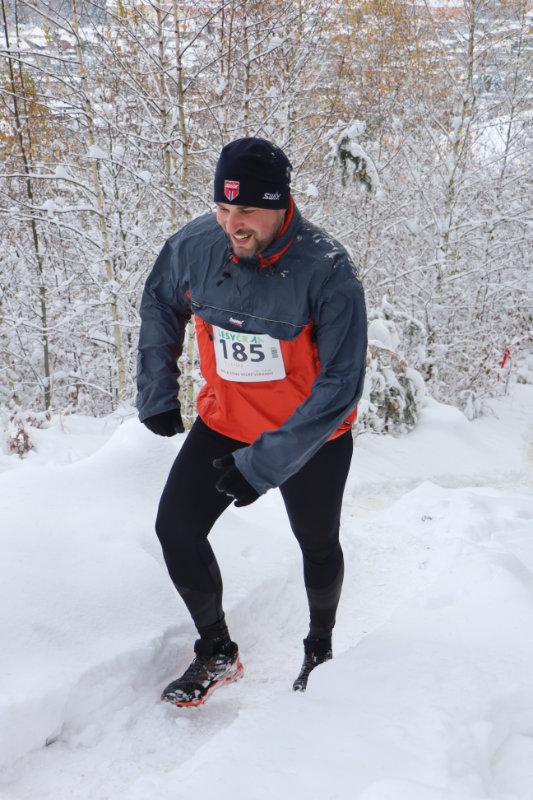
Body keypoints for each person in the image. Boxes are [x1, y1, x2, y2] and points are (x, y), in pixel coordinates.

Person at [136, 137, 367, 707]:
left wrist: (263, 465)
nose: (230, 224)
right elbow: (161, 300)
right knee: (176, 530)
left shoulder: (327, 270)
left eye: (245, 211)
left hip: (311, 438)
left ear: (280, 204)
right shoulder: (195, 246)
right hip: (226, 420)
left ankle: (319, 650)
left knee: (316, 543)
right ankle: (217, 651)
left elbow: (341, 384)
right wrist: (157, 390)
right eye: (221, 207)